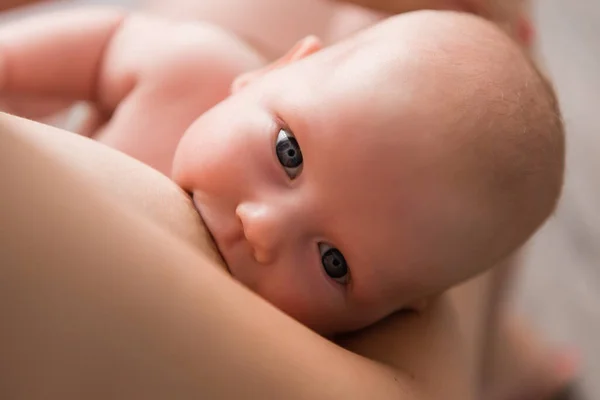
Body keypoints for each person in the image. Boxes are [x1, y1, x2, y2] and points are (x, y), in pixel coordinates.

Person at [0, 7, 563, 336]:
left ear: (392, 312)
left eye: (332, 261)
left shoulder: (288, 346)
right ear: (276, 70)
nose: (263, 228)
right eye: (288, 153)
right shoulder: (188, 67)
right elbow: (104, 48)